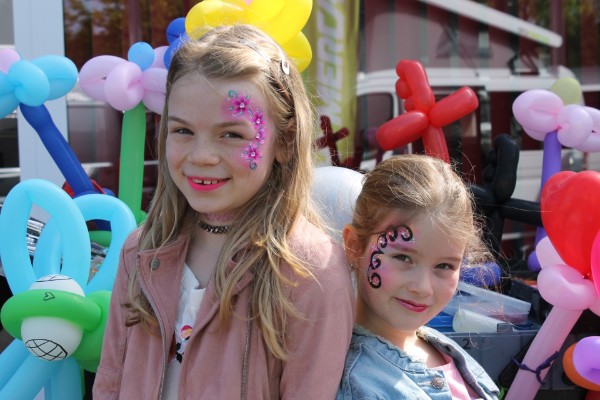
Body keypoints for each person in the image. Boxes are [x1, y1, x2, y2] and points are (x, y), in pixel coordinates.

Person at [93, 24, 355, 400]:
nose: (201, 156)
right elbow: (110, 383)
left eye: (232, 134)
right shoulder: (141, 251)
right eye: (183, 131)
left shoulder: (311, 271)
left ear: (283, 142)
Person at [337, 154, 499, 400]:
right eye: (403, 258)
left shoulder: (441, 348)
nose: (422, 288)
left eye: (444, 266)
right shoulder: (359, 385)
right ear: (354, 247)